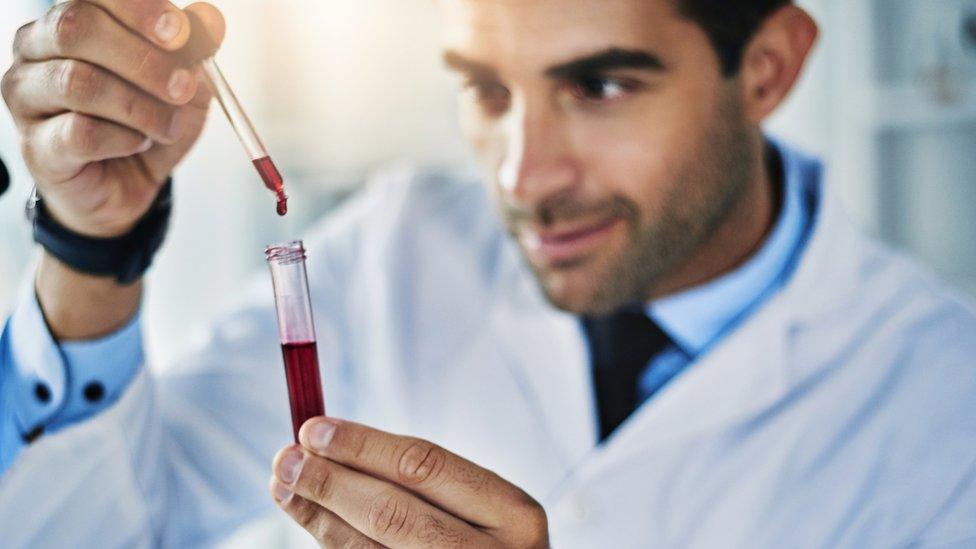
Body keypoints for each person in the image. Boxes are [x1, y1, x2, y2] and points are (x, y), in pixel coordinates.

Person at [1, 0, 975, 547]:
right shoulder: (399, 244)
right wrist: (92, 250)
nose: (519, 177)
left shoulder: (948, 412)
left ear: (765, 69)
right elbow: (77, 532)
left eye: (599, 86)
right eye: (485, 89)